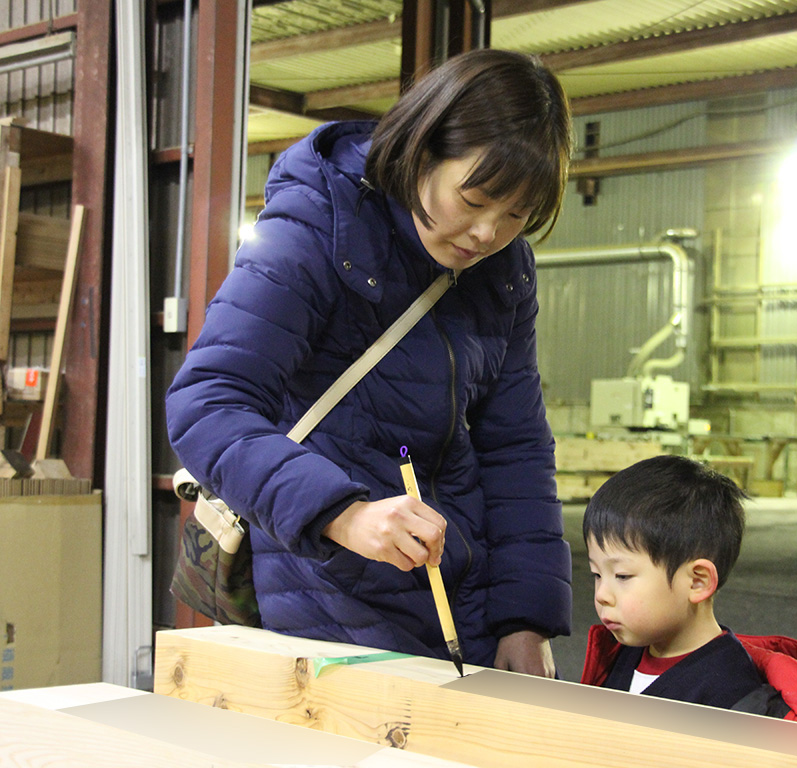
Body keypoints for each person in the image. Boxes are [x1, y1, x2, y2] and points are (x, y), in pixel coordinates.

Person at [165, 48, 573, 677]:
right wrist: (343, 514)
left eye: (516, 215)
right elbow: (206, 401)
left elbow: (515, 448)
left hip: (459, 594)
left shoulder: (504, 272)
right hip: (320, 589)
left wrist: (526, 617)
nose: (487, 233)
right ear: (424, 148)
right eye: (475, 198)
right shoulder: (317, 224)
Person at [581, 455, 797, 731]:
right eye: (597, 574)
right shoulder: (622, 655)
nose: (602, 595)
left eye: (622, 576)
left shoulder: (735, 697)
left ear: (697, 582)